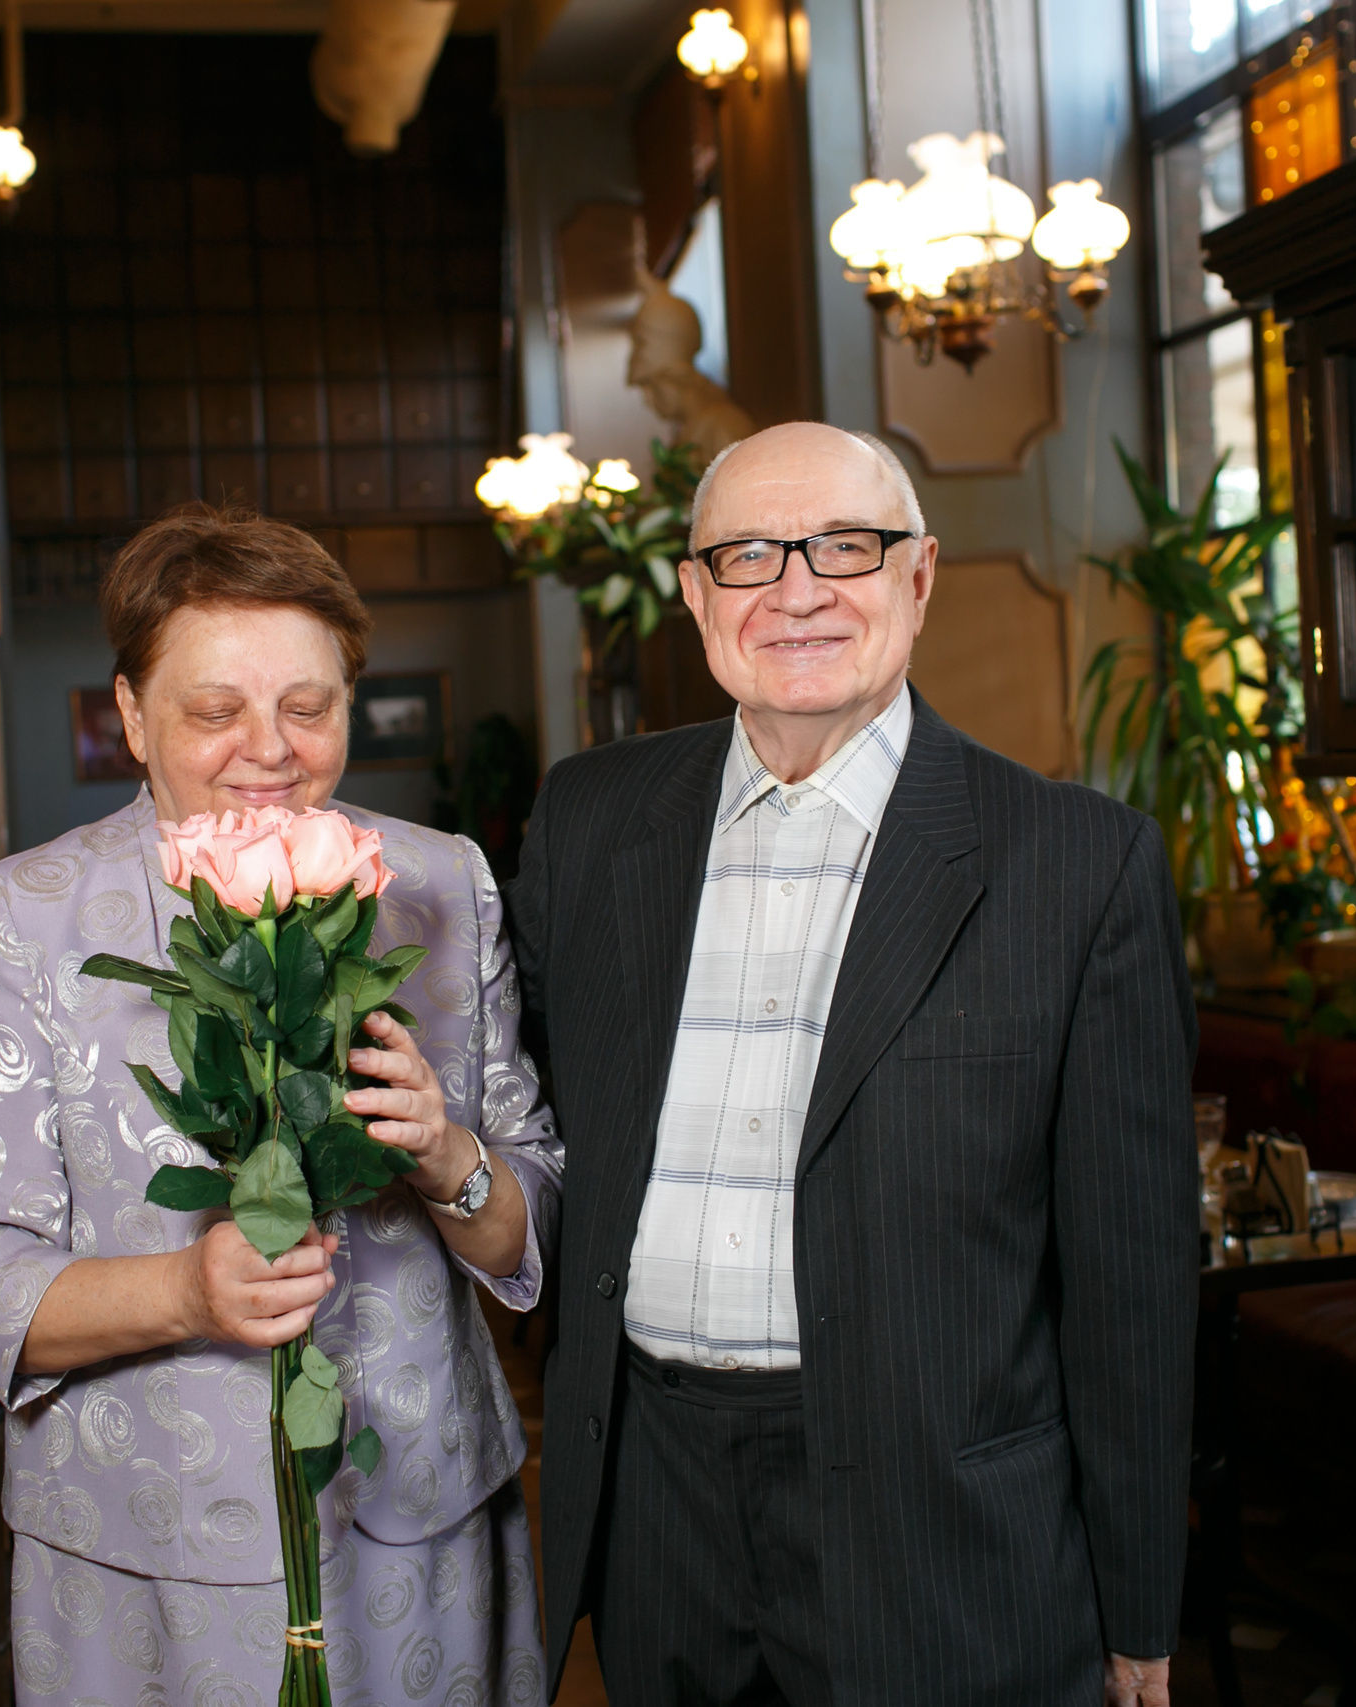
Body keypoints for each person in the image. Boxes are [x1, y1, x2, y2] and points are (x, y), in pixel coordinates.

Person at [510, 423, 1196, 1707]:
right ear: (695, 595)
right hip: (655, 1503)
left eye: (845, 547)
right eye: (749, 555)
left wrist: (1140, 1603)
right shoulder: (589, 819)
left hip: (943, 1526)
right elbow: (525, 1125)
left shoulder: (1074, 863)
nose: (797, 590)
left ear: (920, 578)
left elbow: (1133, 1278)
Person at [0, 505, 561, 1707]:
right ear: (131, 716)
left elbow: (530, 1225)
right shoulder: (23, 914)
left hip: (415, 1524)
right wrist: (184, 1293)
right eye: (216, 710)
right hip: (138, 1553)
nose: (270, 749)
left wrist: (448, 1156)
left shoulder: (444, 883)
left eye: (307, 707)